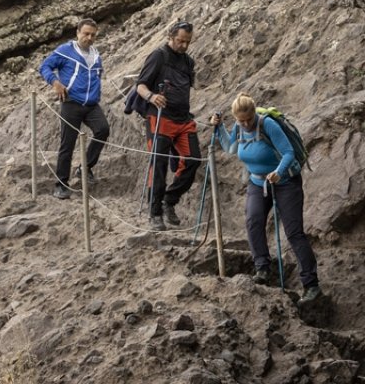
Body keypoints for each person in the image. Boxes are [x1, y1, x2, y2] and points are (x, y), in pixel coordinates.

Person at [211, 93, 322, 304]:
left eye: (248, 119)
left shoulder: (268, 124)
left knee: (294, 233)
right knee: (253, 222)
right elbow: (229, 147)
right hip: (257, 182)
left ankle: (311, 285)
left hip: (285, 182)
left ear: (254, 113)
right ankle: (262, 269)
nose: (245, 124)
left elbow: (288, 153)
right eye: (240, 121)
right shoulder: (239, 127)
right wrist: (219, 129)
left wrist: (279, 172)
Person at [135, 21, 201, 230]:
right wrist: (152, 96)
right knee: (159, 165)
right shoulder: (158, 56)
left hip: (183, 119)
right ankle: (155, 213)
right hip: (160, 118)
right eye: (180, 40)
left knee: (193, 160)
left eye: (187, 42)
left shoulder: (189, 62)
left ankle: (169, 201)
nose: (183, 45)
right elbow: (140, 86)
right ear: (170, 37)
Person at [39, 19, 111, 199]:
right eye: (86, 33)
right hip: (71, 102)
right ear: (77, 32)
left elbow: (97, 75)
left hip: (91, 104)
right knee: (68, 144)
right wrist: (55, 83)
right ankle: (61, 185)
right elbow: (44, 67)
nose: (89, 38)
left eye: (93, 35)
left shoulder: (95, 54)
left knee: (103, 130)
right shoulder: (65, 50)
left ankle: (84, 167)